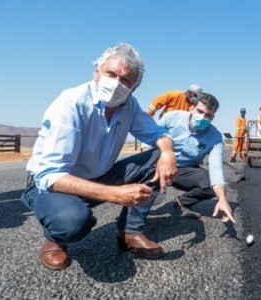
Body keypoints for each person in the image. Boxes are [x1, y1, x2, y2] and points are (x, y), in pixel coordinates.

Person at [20, 43, 178, 270]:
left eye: (125, 80)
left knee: (157, 157)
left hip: (99, 176)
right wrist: (114, 194)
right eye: (110, 74)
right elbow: (50, 175)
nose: (116, 84)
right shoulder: (71, 103)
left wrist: (168, 152)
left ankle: (129, 231)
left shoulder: (129, 105)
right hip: (52, 185)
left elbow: (158, 133)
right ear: (96, 72)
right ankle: (56, 238)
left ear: (133, 88)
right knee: (72, 222)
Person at [157, 92, 236, 223]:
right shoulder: (171, 118)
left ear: (213, 117)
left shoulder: (215, 136)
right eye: (200, 111)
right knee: (145, 197)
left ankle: (182, 202)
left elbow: (216, 168)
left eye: (208, 115)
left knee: (212, 186)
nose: (203, 117)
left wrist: (222, 198)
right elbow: (148, 141)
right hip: (160, 163)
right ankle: (132, 223)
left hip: (184, 171)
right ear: (191, 108)